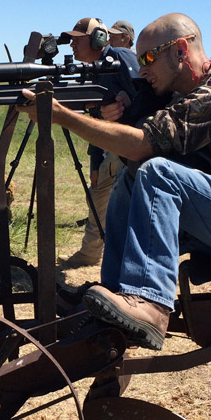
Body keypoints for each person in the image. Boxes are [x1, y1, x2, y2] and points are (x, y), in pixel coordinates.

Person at [19, 13, 211, 350]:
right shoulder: (186, 92)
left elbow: (143, 143)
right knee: (131, 178)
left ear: (181, 50)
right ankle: (115, 297)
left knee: (157, 172)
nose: (141, 69)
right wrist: (116, 112)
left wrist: (63, 116)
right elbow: (142, 141)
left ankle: (152, 305)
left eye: (148, 58)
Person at [56, 17, 141, 269]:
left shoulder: (123, 59)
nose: (72, 45)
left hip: (133, 147)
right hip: (111, 148)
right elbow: (98, 119)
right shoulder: (91, 70)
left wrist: (127, 105)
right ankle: (90, 254)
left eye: (77, 39)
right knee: (97, 197)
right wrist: (95, 161)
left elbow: (151, 98)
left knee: (128, 208)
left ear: (97, 40)